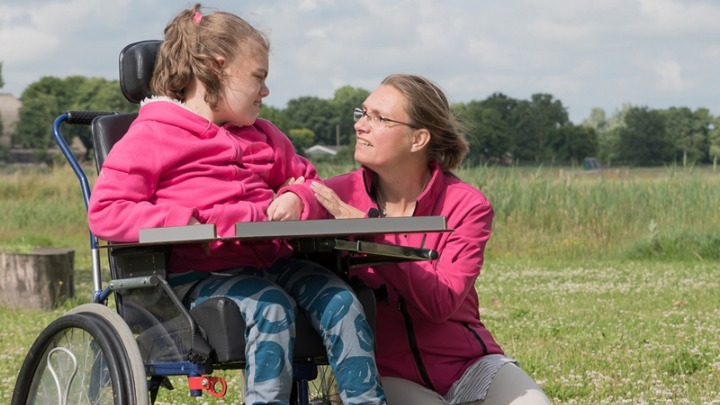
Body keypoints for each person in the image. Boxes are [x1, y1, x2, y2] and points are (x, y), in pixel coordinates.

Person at [87, 4, 386, 404]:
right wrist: (185, 220)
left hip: (275, 261)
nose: (265, 91)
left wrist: (297, 198)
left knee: (343, 300)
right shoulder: (152, 136)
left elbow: (311, 183)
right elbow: (106, 213)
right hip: (198, 275)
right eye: (258, 78)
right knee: (271, 306)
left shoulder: (264, 135)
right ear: (215, 67)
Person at [311, 74, 550, 404]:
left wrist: (370, 231)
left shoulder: (467, 205)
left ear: (418, 138)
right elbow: (294, 189)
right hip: (382, 371)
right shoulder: (337, 195)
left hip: (469, 364)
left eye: (378, 118)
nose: (360, 126)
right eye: (362, 113)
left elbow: (441, 303)